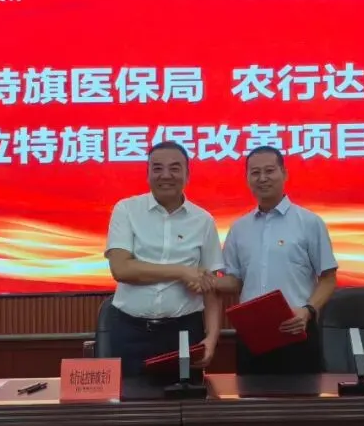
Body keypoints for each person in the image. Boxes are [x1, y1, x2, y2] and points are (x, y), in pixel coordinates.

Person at [213, 145, 338, 374]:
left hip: (297, 330)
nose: (262, 178)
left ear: (284, 173)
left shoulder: (309, 222)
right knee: (249, 396)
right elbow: (235, 281)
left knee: (303, 395)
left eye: (269, 171)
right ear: (247, 178)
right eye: (255, 173)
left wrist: (308, 310)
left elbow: (328, 278)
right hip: (252, 336)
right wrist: (202, 279)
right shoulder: (239, 228)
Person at [104, 141, 224, 378]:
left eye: (174, 168)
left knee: (185, 398)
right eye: (157, 168)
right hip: (130, 331)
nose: (166, 175)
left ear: (187, 174)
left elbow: (211, 288)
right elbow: (121, 269)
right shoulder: (126, 210)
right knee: (130, 399)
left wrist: (211, 338)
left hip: (184, 331)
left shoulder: (203, 220)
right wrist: (182, 271)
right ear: (147, 173)